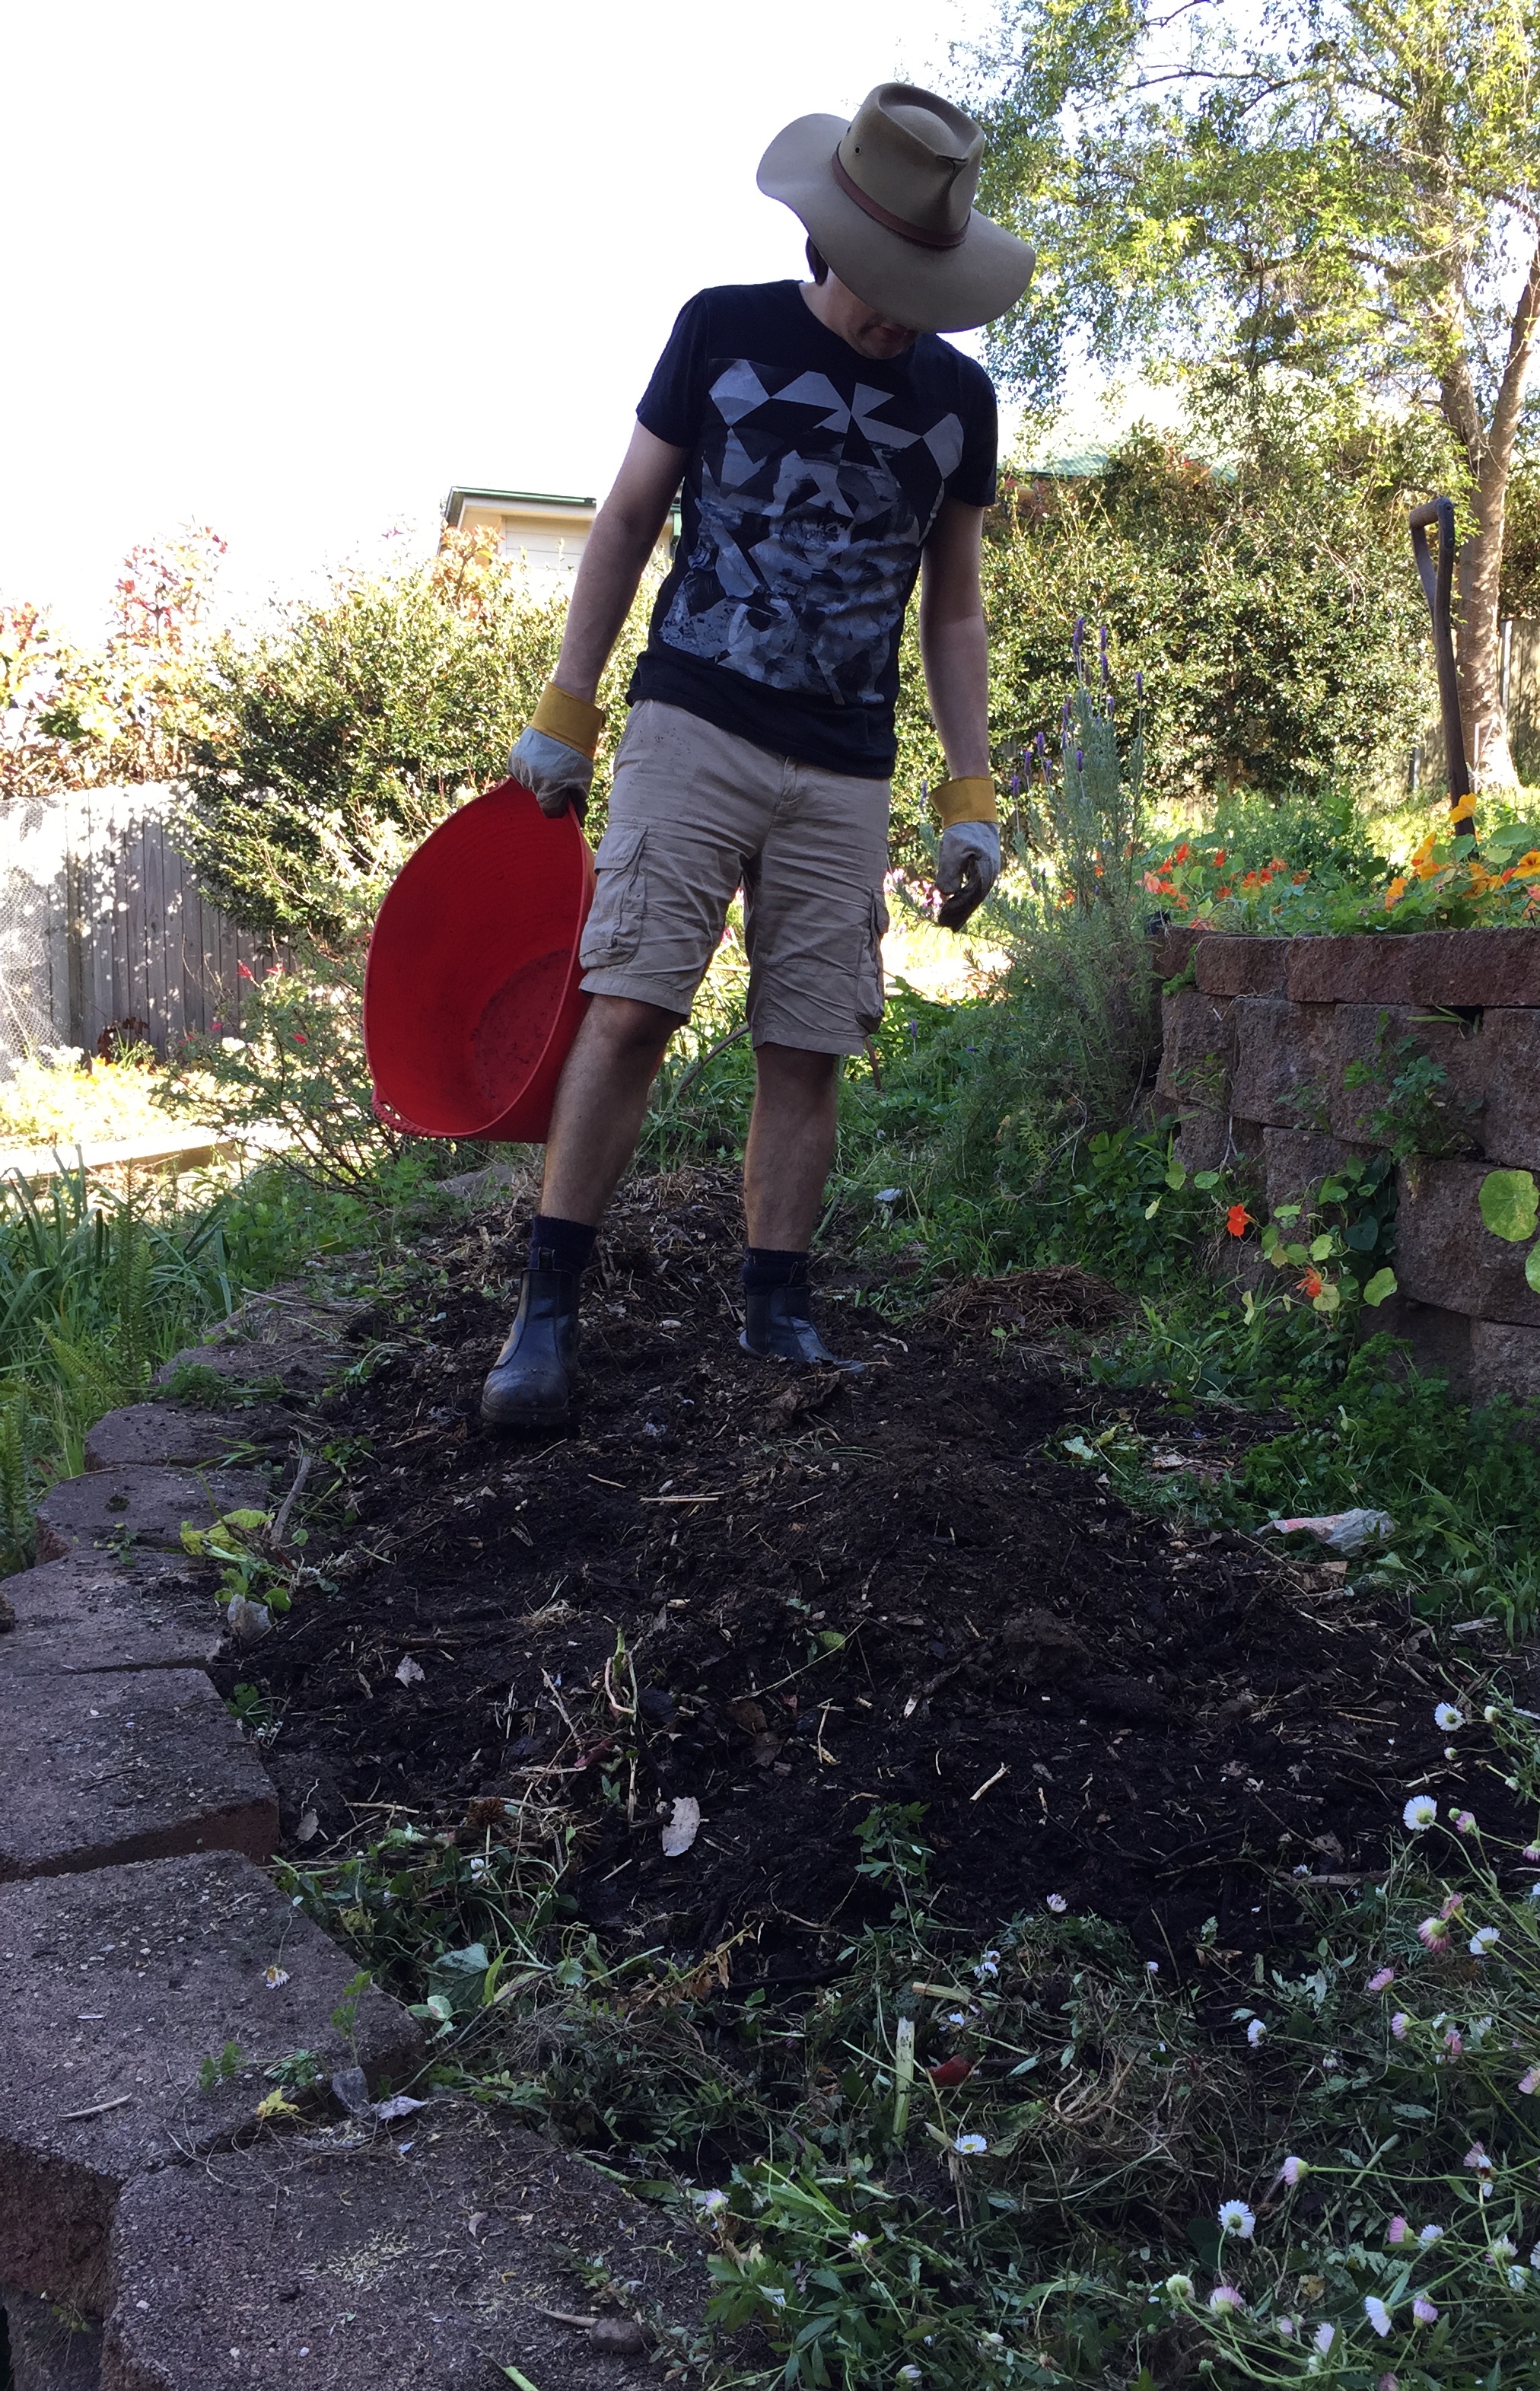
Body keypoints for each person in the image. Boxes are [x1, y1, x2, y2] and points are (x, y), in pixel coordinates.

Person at [480, 82, 1035, 1426]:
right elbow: (625, 519)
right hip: (693, 725)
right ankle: (545, 1315)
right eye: (885, 282)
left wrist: (970, 793)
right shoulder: (720, 330)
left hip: (845, 764)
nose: (902, 315)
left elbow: (953, 609)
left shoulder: (959, 401)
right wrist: (567, 707)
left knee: (809, 1038)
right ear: (827, 243)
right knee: (631, 1005)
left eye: (926, 290)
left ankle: (776, 1308)